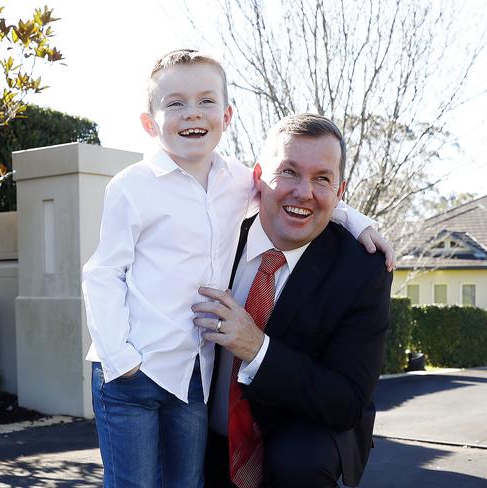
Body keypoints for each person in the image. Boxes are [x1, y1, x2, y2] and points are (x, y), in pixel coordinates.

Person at [82, 51, 393, 488]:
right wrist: (121, 360)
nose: (192, 112)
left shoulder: (239, 185)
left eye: (206, 101)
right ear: (150, 122)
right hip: (138, 367)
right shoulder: (139, 188)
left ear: (226, 115)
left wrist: (358, 220)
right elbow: (102, 272)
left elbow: (303, 192)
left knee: (194, 480)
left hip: (210, 383)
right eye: (175, 103)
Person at [194, 113, 393, 488]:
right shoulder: (214, 237)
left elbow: (345, 401)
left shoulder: (363, 270)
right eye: (288, 172)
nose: (304, 192)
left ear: (340, 191)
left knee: (298, 463)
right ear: (257, 178)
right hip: (208, 429)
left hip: (306, 428)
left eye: (323, 179)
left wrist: (256, 348)